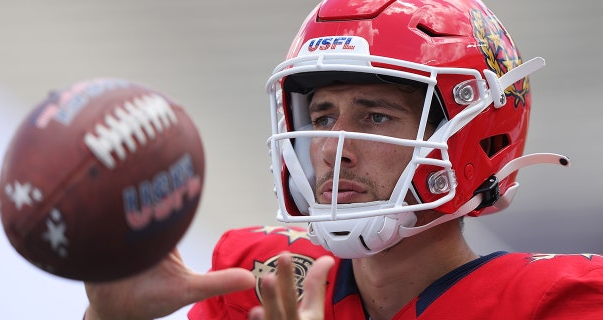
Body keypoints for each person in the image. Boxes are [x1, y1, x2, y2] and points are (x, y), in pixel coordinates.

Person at [84, 0, 603, 319]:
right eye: (324, 117)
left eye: (375, 117)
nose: (334, 148)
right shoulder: (262, 281)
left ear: (469, 135)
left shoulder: (557, 304)